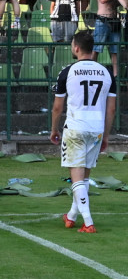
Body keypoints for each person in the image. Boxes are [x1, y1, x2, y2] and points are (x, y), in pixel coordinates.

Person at [50, 31, 116, 233]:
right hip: (96, 128)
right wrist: (106, 135)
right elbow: (111, 108)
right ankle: (71, 216)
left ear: (76, 47)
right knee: (84, 175)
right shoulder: (106, 72)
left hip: (76, 127)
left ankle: (88, 222)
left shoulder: (68, 71)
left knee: (76, 175)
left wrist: (54, 129)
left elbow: (57, 107)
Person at [93, 0, 127, 78]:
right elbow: (103, 0)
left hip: (114, 20)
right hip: (103, 20)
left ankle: (116, 74)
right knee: (97, 47)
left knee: (115, 49)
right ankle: (92, 68)